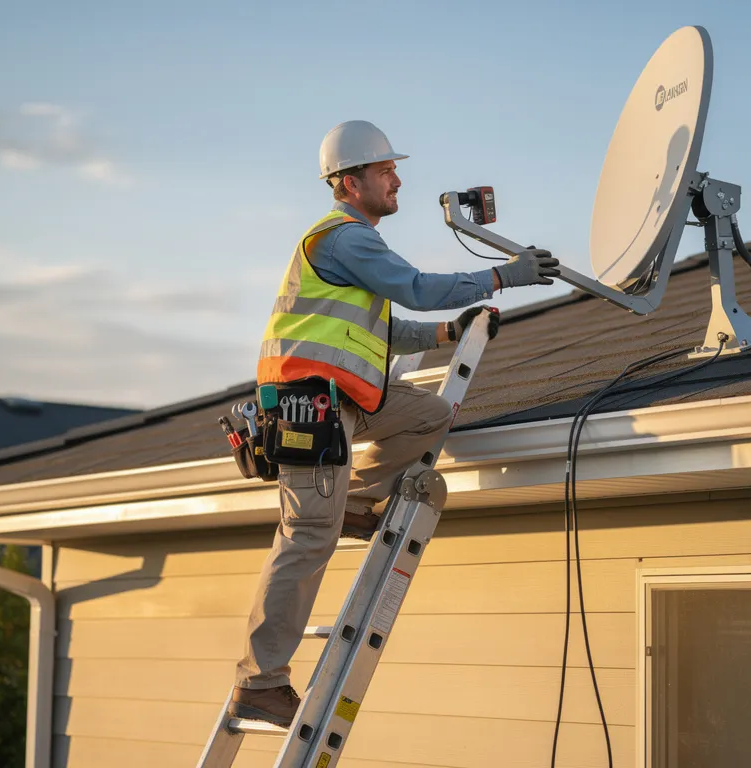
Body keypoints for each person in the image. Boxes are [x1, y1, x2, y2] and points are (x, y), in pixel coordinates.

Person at [228, 120, 561, 726]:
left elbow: (383, 329)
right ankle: (261, 680)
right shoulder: (344, 239)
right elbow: (413, 287)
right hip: (311, 405)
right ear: (350, 183)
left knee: (430, 414)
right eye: (386, 172)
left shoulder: (353, 247)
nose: (397, 179)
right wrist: (500, 276)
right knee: (305, 539)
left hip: (346, 404)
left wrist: (446, 334)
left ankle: (355, 503)